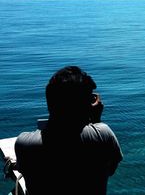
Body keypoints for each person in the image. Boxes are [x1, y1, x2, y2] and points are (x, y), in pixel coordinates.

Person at [14, 66, 123, 195]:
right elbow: (110, 169)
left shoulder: (24, 143)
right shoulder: (103, 134)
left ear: (50, 102)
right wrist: (95, 120)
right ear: (87, 104)